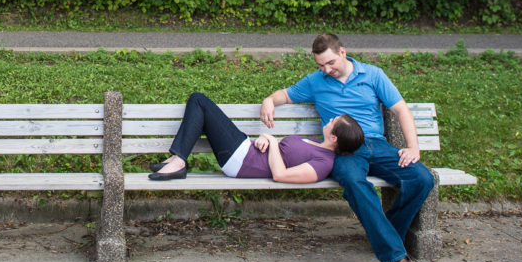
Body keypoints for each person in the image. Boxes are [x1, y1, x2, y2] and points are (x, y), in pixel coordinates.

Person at [260, 33, 434, 262]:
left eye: (330, 63)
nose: (326, 70)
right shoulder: (315, 81)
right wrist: (268, 100)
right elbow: (283, 95)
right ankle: (398, 259)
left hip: (378, 144)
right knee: (353, 182)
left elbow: (401, 110)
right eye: (321, 65)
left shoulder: (373, 75)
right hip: (345, 151)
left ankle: (386, 232)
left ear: (342, 52)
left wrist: (413, 147)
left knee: (422, 178)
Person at [149, 92, 364, 184]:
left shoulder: (323, 164)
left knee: (199, 101)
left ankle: (178, 161)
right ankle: (177, 160)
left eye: (334, 122)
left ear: (335, 138)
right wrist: (267, 139)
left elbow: (280, 174)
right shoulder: (316, 142)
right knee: (198, 101)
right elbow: (282, 150)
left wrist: (271, 142)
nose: (330, 119)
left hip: (242, 161)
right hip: (246, 150)